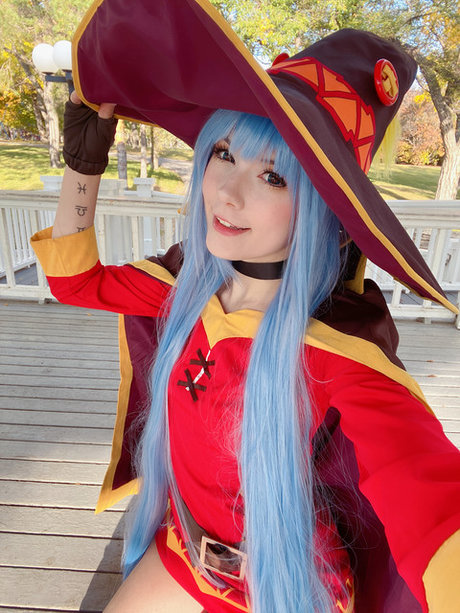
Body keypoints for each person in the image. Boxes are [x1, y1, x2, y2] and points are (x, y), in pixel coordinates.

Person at [30, 1, 460, 611]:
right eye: (224, 154)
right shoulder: (185, 289)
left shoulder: (338, 354)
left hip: (287, 589)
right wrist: (83, 165)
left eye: (274, 177)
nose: (227, 193)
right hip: (184, 553)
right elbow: (75, 283)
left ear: (326, 213)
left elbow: (432, 498)